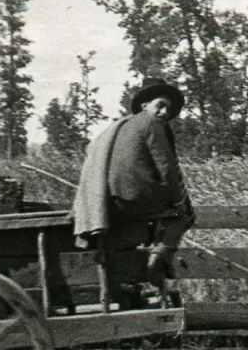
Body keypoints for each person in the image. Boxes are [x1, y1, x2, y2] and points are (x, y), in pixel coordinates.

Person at [72, 77, 194, 307]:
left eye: (168, 108)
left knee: (168, 216)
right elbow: (167, 169)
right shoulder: (151, 123)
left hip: (112, 201)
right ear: (144, 105)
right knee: (184, 214)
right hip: (136, 198)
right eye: (160, 105)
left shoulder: (122, 126)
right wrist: (179, 201)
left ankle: (143, 269)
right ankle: (155, 263)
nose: (165, 112)